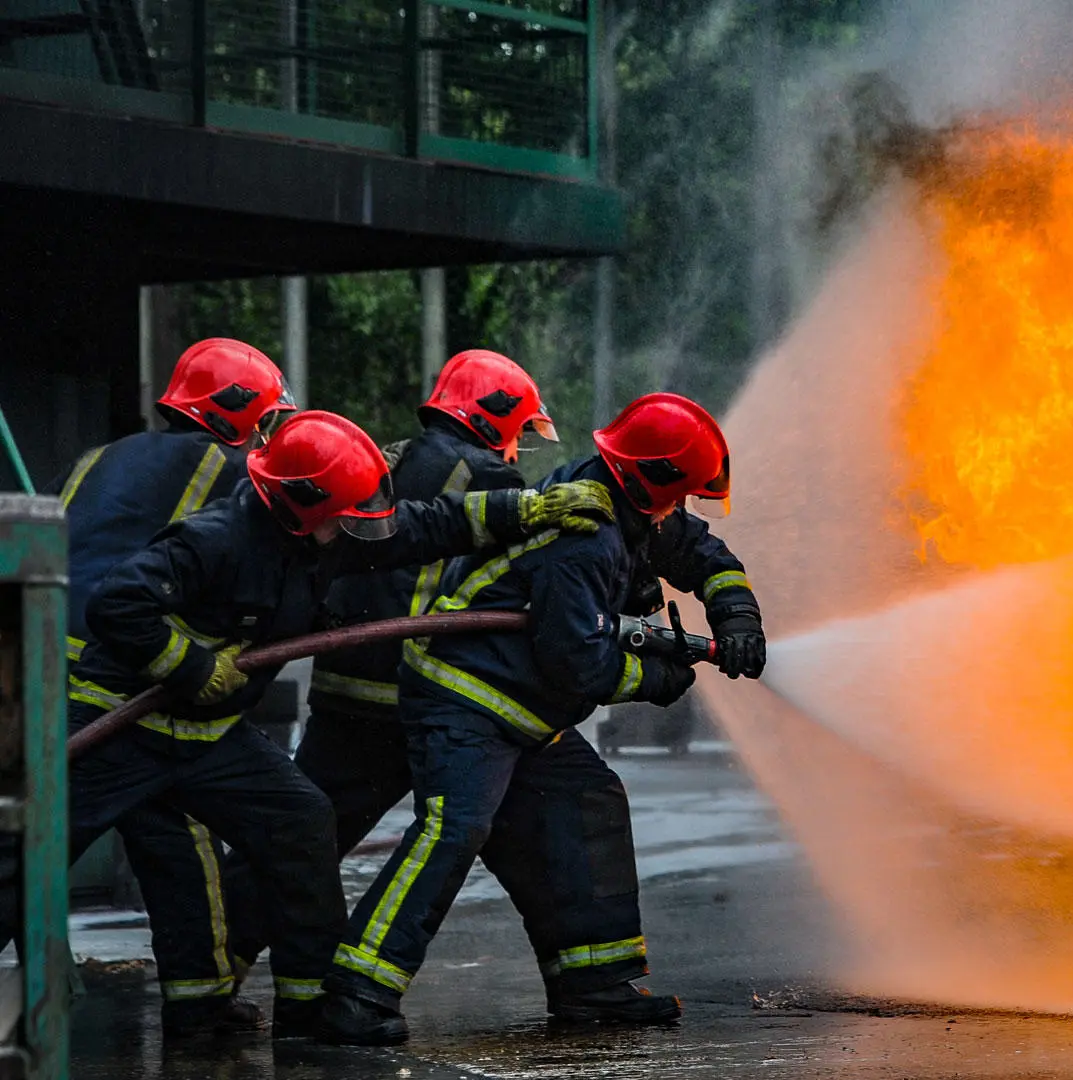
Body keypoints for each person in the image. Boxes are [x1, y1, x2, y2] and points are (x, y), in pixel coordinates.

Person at [43, 410, 616, 1038]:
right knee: (32, 854)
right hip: (120, 725)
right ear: (301, 503)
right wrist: (190, 666)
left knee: (301, 820)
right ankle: (206, 999)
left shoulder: (323, 537)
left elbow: (429, 524)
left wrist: (528, 507)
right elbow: (118, 603)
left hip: (207, 737)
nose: (357, 527)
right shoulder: (214, 538)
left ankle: (301, 1003)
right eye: (345, 512)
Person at [224, 350, 663, 1030]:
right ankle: (579, 984)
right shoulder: (488, 474)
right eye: (518, 429)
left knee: (303, 839)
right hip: (432, 693)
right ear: (496, 422)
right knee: (546, 815)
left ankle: (211, 970)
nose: (518, 445)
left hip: (351, 692)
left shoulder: (392, 459)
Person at [319, 393, 766, 1046]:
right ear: (650, 480)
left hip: (525, 714)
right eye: (681, 494)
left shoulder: (635, 510)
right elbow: (577, 664)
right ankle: (357, 993)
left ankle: (595, 987)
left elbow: (704, 555)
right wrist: (659, 679)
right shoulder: (584, 535)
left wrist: (737, 616)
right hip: (466, 699)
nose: (681, 508)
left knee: (586, 801)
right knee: (454, 829)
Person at [57, 338, 294, 1036]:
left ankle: (201, 998)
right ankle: (200, 1000)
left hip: (48, 666)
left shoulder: (103, 455)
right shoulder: (228, 472)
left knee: (169, 825)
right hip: (117, 681)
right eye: (265, 417)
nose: (265, 432)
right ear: (241, 411)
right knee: (41, 847)